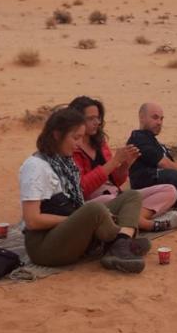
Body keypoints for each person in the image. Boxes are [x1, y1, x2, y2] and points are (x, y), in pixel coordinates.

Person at [17, 105, 147, 273]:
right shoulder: (35, 166)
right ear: (57, 135)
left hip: (69, 233)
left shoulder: (66, 163)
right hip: (45, 248)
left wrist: (82, 219)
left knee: (132, 196)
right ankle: (120, 241)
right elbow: (32, 221)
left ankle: (119, 244)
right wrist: (78, 220)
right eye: (75, 138)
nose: (79, 144)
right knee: (94, 209)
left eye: (81, 138)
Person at [67, 95, 177, 232]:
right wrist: (114, 161)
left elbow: (116, 181)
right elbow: (81, 188)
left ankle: (134, 219)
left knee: (169, 190)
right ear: (76, 120)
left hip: (118, 197)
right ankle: (147, 224)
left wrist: (126, 164)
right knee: (106, 200)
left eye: (98, 118)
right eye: (91, 118)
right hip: (93, 204)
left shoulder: (99, 142)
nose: (96, 122)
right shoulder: (71, 148)